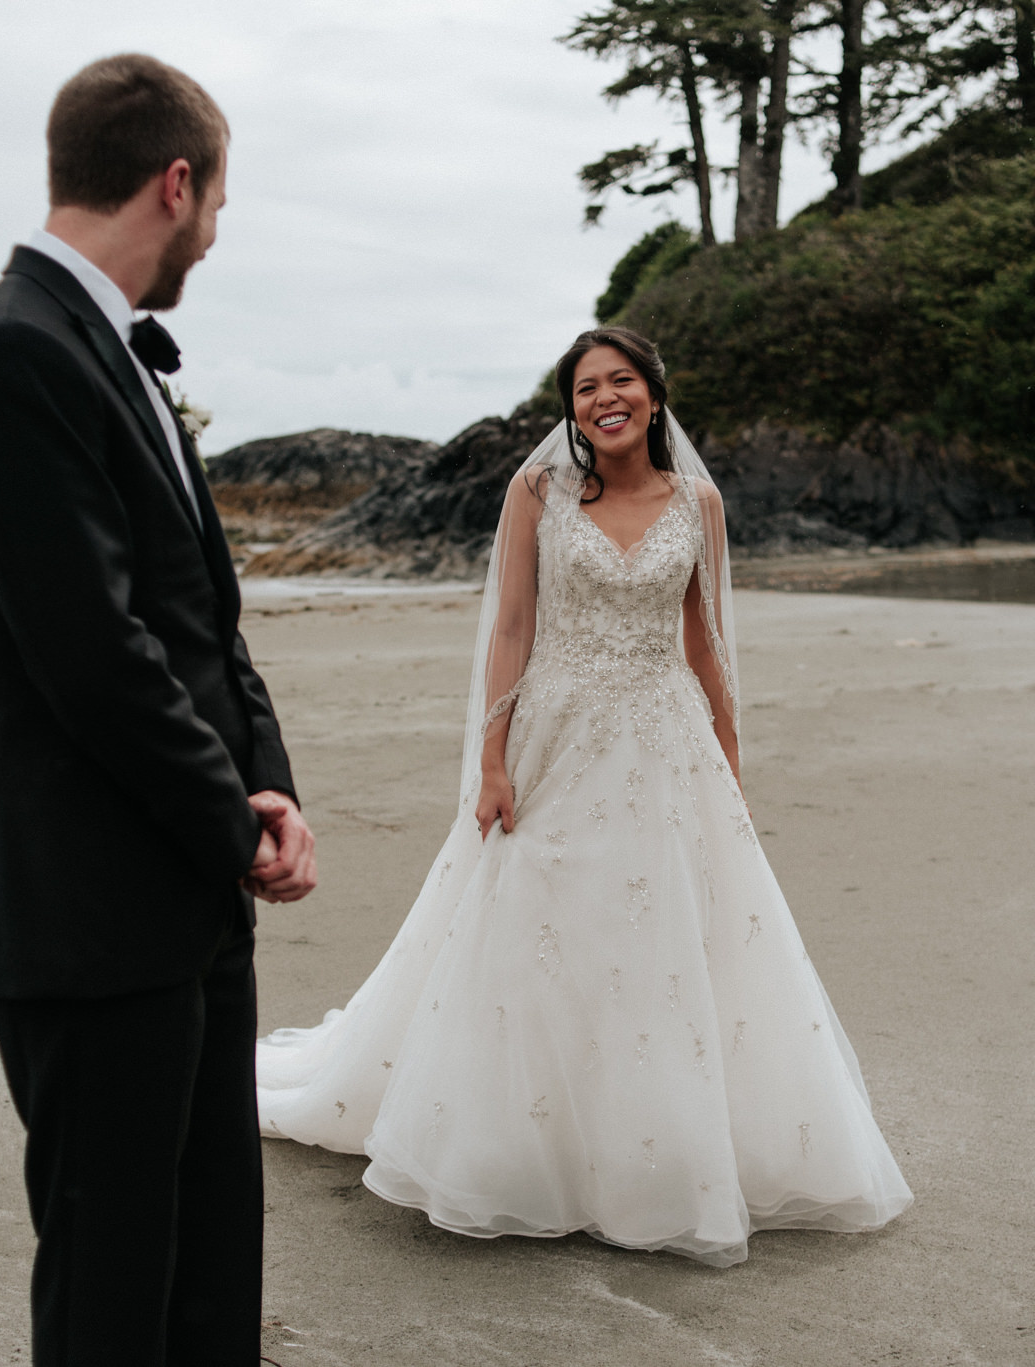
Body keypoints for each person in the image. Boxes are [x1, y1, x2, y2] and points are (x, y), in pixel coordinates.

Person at [256, 327, 909, 1267]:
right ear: (572, 408)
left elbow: (708, 642)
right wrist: (491, 757)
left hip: (665, 738)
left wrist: (730, 761)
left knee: (665, 939)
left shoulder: (702, 502)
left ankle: (650, 1158)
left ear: (653, 394)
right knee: (540, 923)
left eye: (622, 381)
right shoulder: (538, 493)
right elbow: (513, 625)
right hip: (555, 734)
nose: (605, 398)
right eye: (586, 387)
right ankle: (523, 1151)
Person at [0, 54, 316, 1366]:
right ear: (177, 180)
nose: (215, 231)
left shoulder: (120, 353)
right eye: (218, 202)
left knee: (209, 1273)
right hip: (86, 914)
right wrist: (228, 814)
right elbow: (92, 651)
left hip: (186, 884)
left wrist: (271, 789)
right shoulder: (9, 348)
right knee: (111, 1291)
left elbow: (202, 615)